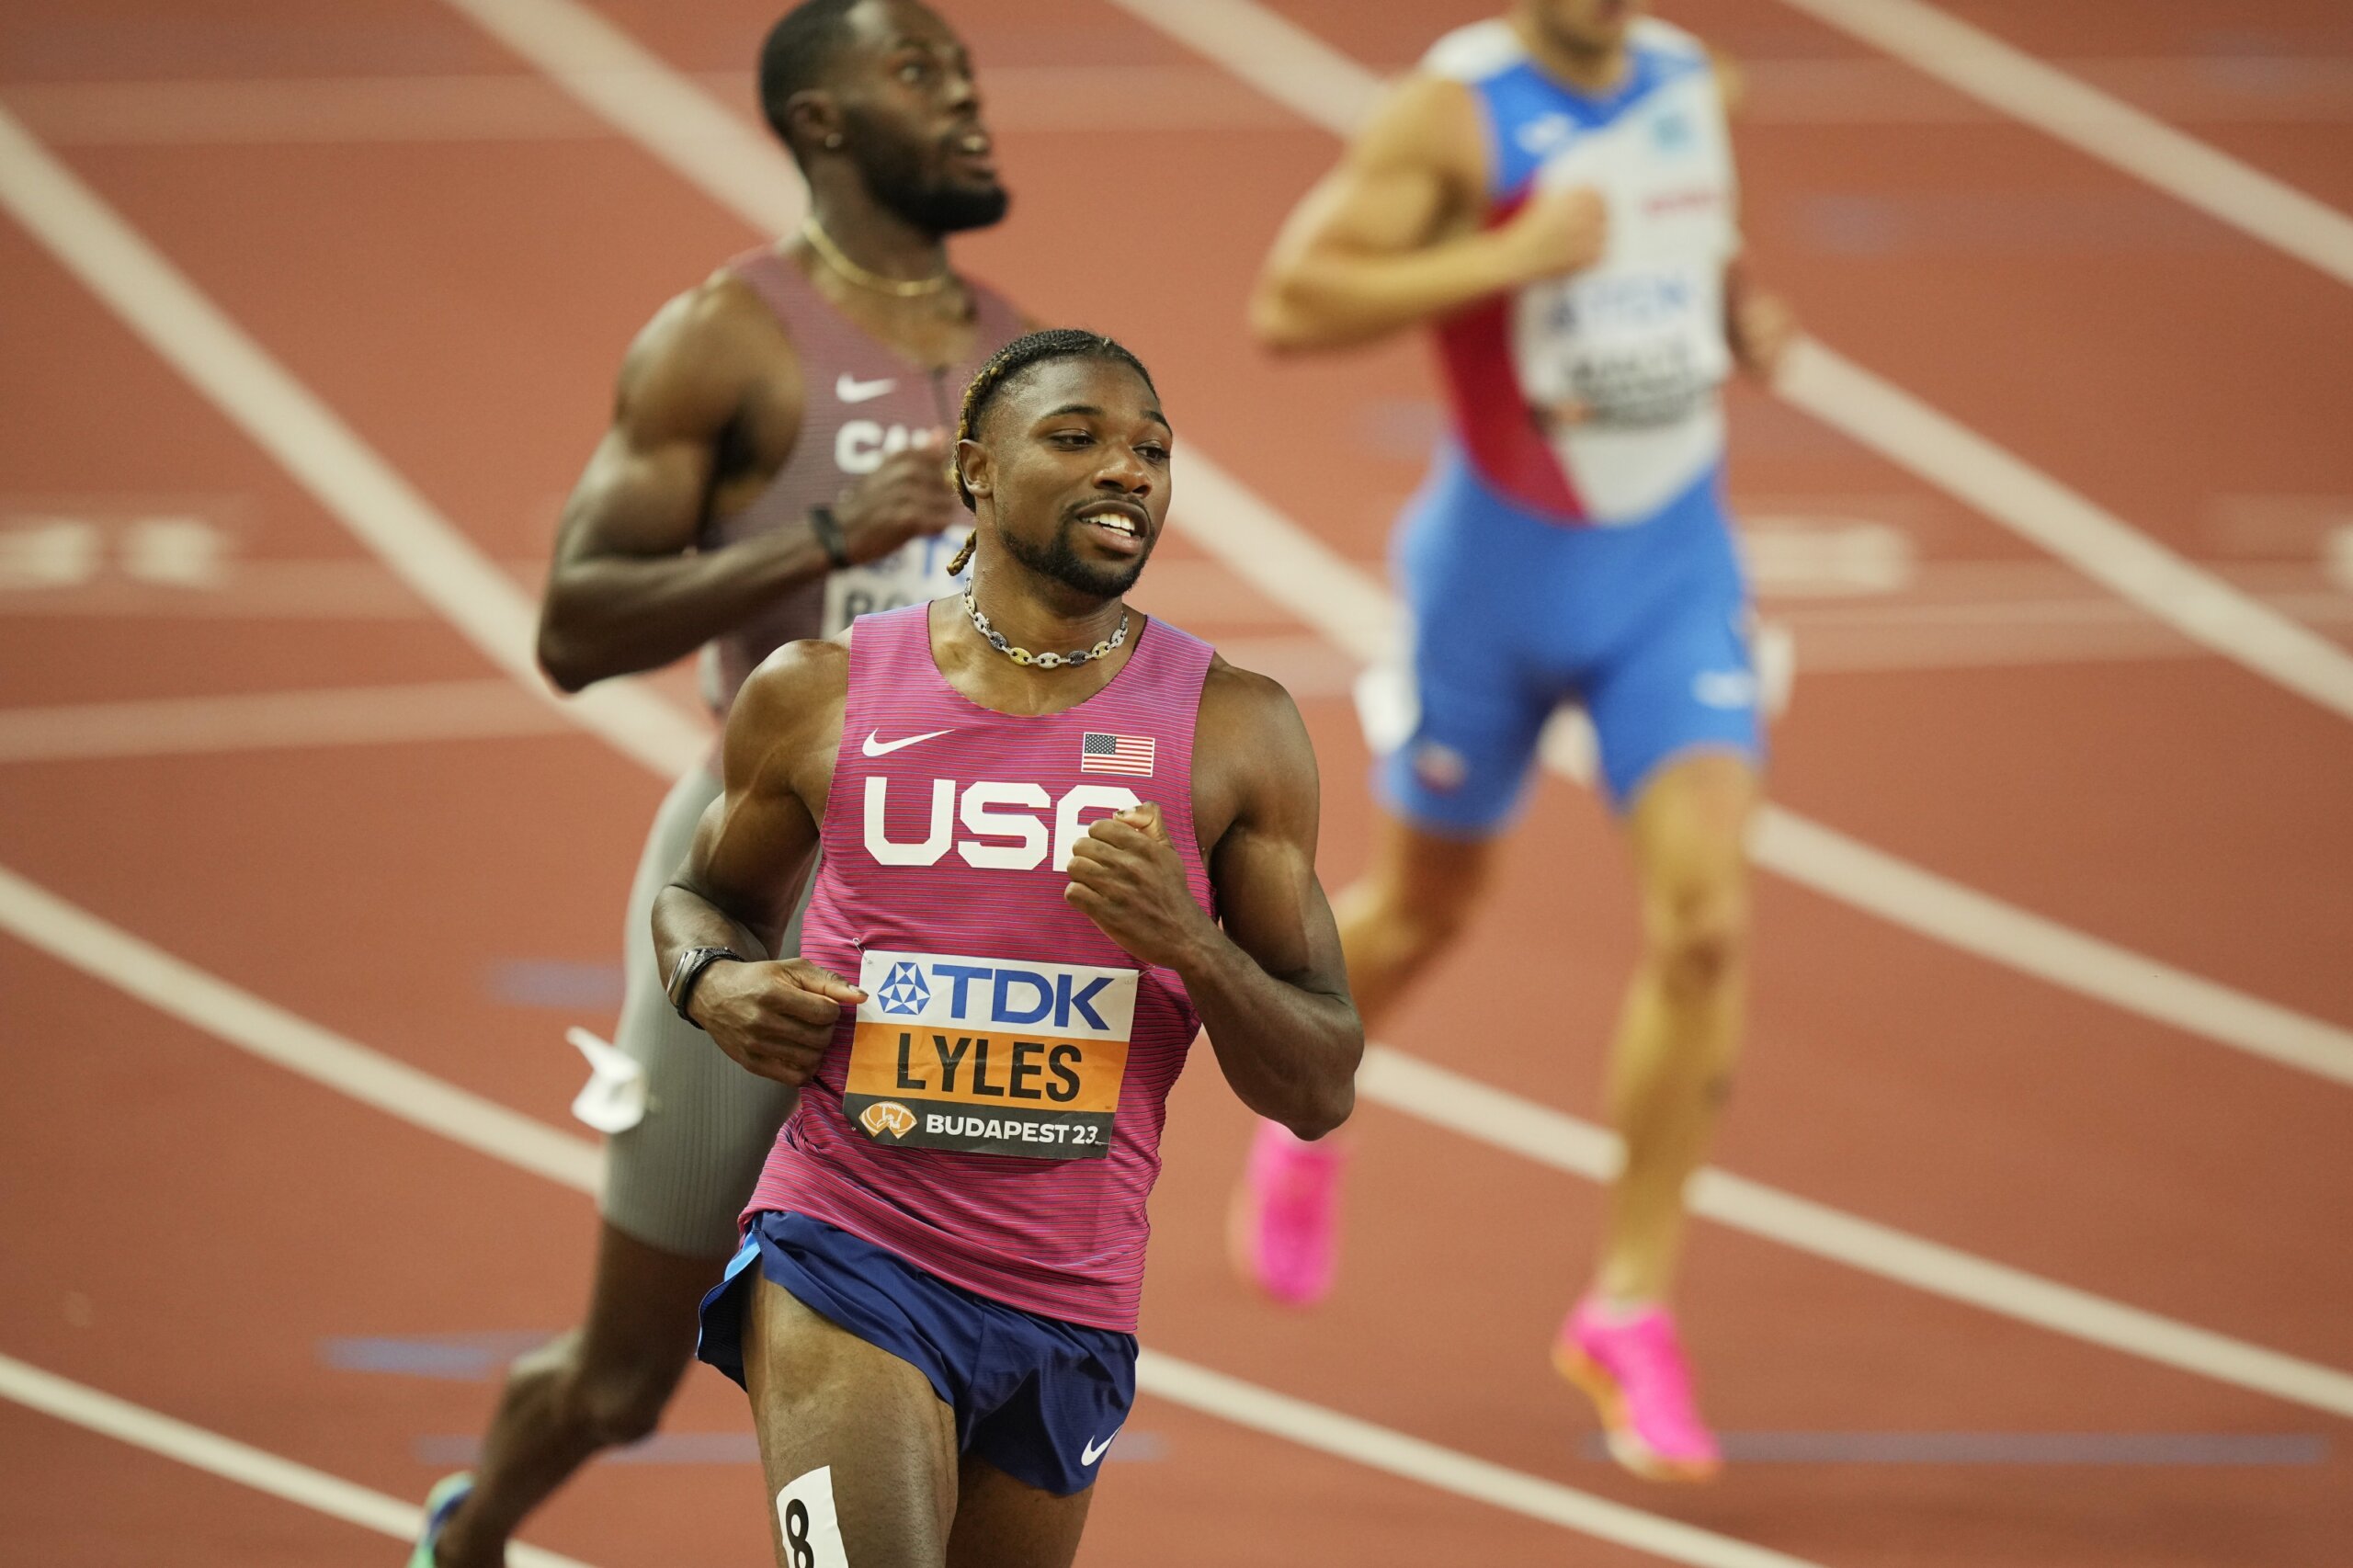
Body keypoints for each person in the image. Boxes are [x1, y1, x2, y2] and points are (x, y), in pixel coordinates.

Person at [411, 3, 1025, 1562]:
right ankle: (470, 1536)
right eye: (918, 75)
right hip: (760, 886)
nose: (963, 99)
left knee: (958, 1338)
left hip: (954, 912)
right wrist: (822, 539)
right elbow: (570, 622)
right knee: (624, 1378)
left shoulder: (1012, 353)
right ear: (822, 126)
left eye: (964, 72)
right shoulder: (726, 339)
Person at [654, 328, 1360, 1567]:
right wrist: (714, 982)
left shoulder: (1236, 731)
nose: (1128, 472)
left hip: (1069, 1303)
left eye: (1152, 450)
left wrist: (1188, 941)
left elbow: (1317, 1082)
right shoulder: (823, 693)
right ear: (977, 473)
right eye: (1077, 438)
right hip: (850, 1248)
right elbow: (701, 897)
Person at [1228, 0, 1796, 1483]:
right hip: (1490, 587)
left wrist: (1738, 318)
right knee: (1428, 907)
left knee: (1704, 926)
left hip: (1672, 583)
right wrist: (1506, 254)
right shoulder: (1455, 114)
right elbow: (1290, 303)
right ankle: (1305, 1117)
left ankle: (1628, 1307)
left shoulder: (1698, 83)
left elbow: (1689, 249)